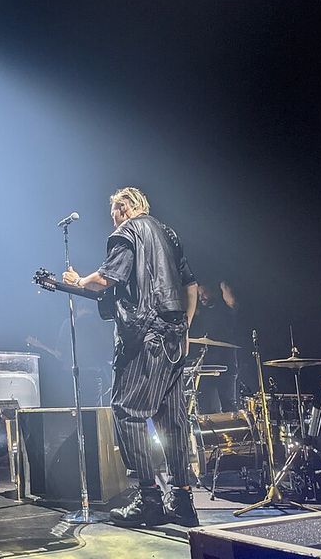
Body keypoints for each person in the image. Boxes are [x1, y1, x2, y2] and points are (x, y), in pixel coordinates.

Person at [62, 187, 199, 528]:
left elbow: (106, 278)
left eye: (114, 214)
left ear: (123, 208)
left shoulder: (127, 231)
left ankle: (149, 499)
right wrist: (184, 328)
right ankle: (183, 501)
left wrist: (79, 280)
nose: (113, 221)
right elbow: (191, 285)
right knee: (173, 418)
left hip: (145, 336)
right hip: (173, 336)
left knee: (128, 412)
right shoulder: (168, 233)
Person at [190, 280, 238, 413]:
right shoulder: (202, 313)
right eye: (199, 294)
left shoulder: (224, 309)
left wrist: (223, 286)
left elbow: (232, 303)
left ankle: (233, 426)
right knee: (206, 406)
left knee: (228, 404)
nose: (201, 297)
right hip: (208, 366)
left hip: (226, 364)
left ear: (213, 292)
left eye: (204, 293)